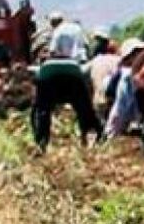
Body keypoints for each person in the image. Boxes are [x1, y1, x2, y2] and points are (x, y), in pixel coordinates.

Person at [31, 16, 102, 150]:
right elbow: (85, 50)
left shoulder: (57, 31)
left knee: (42, 110)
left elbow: (53, 51)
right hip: (74, 72)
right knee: (85, 108)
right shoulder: (80, 30)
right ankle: (90, 134)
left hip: (49, 74)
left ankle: (41, 141)